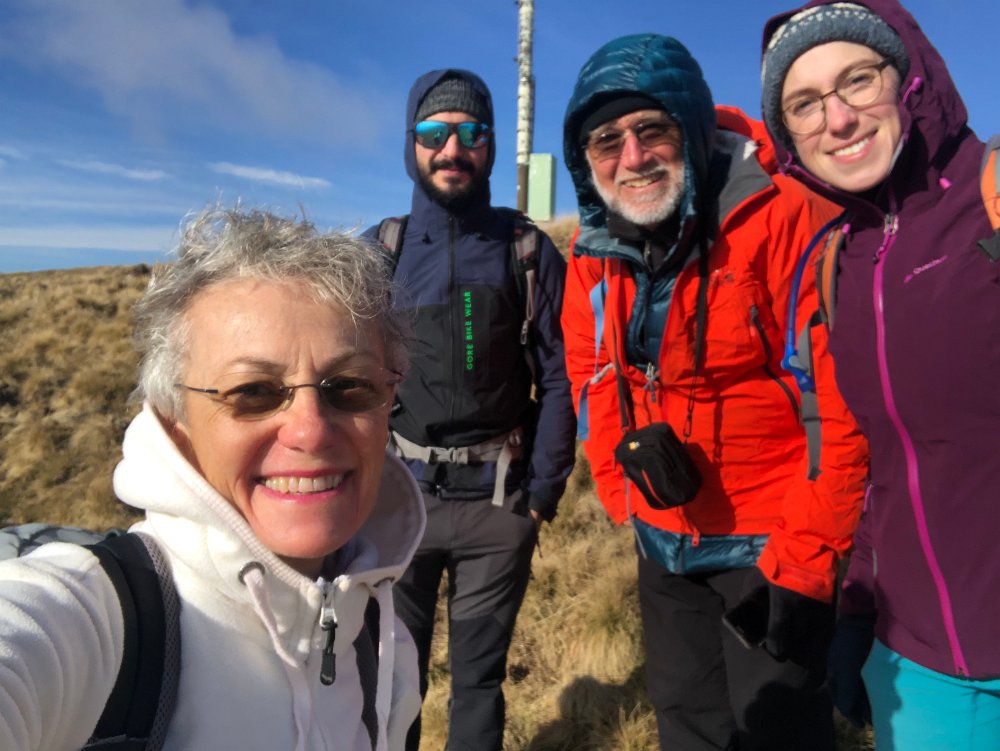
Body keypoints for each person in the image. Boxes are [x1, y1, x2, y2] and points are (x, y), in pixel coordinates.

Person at [0, 207, 425, 750]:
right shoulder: (89, 624)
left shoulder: (386, 649)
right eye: (253, 392)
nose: (311, 431)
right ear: (174, 424)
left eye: (350, 385)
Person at [561, 34, 869, 750]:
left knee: (780, 731)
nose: (632, 157)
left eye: (652, 129)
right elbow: (592, 371)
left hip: (773, 544)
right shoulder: (593, 247)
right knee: (686, 723)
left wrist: (807, 558)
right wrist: (620, 488)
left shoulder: (787, 214)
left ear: (693, 128)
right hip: (662, 533)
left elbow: (841, 407)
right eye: (606, 141)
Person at [760, 1, 1000, 748]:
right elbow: (884, 463)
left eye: (858, 79)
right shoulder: (841, 262)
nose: (838, 119)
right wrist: (859, 608)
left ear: (909, 79)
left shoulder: (991, 199)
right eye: (804, 104)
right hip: (921, 665)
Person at [364, 69, 576, 751]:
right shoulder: (379, 253)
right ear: (411, 143)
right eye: (434, 133)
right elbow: (341, 381)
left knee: (479, 684)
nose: (451, 149)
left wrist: (539, 497)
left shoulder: (527, 251)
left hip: (498, 507)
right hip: (398, 506)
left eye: (470, 133)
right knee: (392, 683)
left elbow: (561, 378)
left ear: (490, 146)